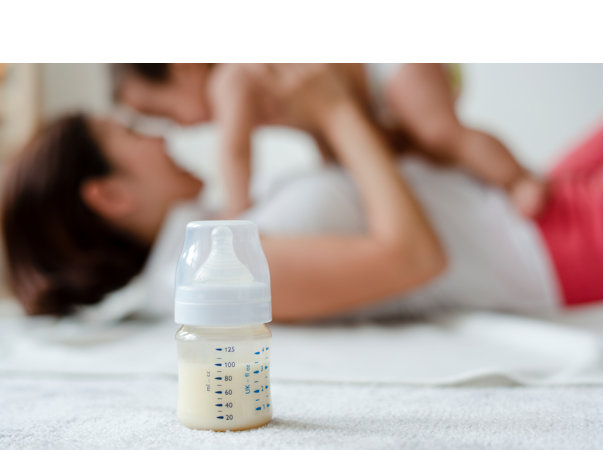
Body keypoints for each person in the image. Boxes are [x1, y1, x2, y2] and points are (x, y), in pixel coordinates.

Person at [1, 65, 601, 321]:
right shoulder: (207, 273)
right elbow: (415, 257)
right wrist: (335, 111)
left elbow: (372, 191)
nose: (162, 138)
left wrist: (322, 116)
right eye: (134, 135)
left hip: (522, 205)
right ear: (110, 196)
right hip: (548, 247)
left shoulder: (213, 226)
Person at [113, 63, 548, 219]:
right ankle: (490, 188)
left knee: (440, 133)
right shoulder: (252, 80)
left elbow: (235, 151)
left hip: (386, 65)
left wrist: (237, 211)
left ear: (185, 67)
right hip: (370, 99)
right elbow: (317, 126)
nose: (179, 127)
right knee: (418, 151)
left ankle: (518, 178)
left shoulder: (229, 78)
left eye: (166, 113)